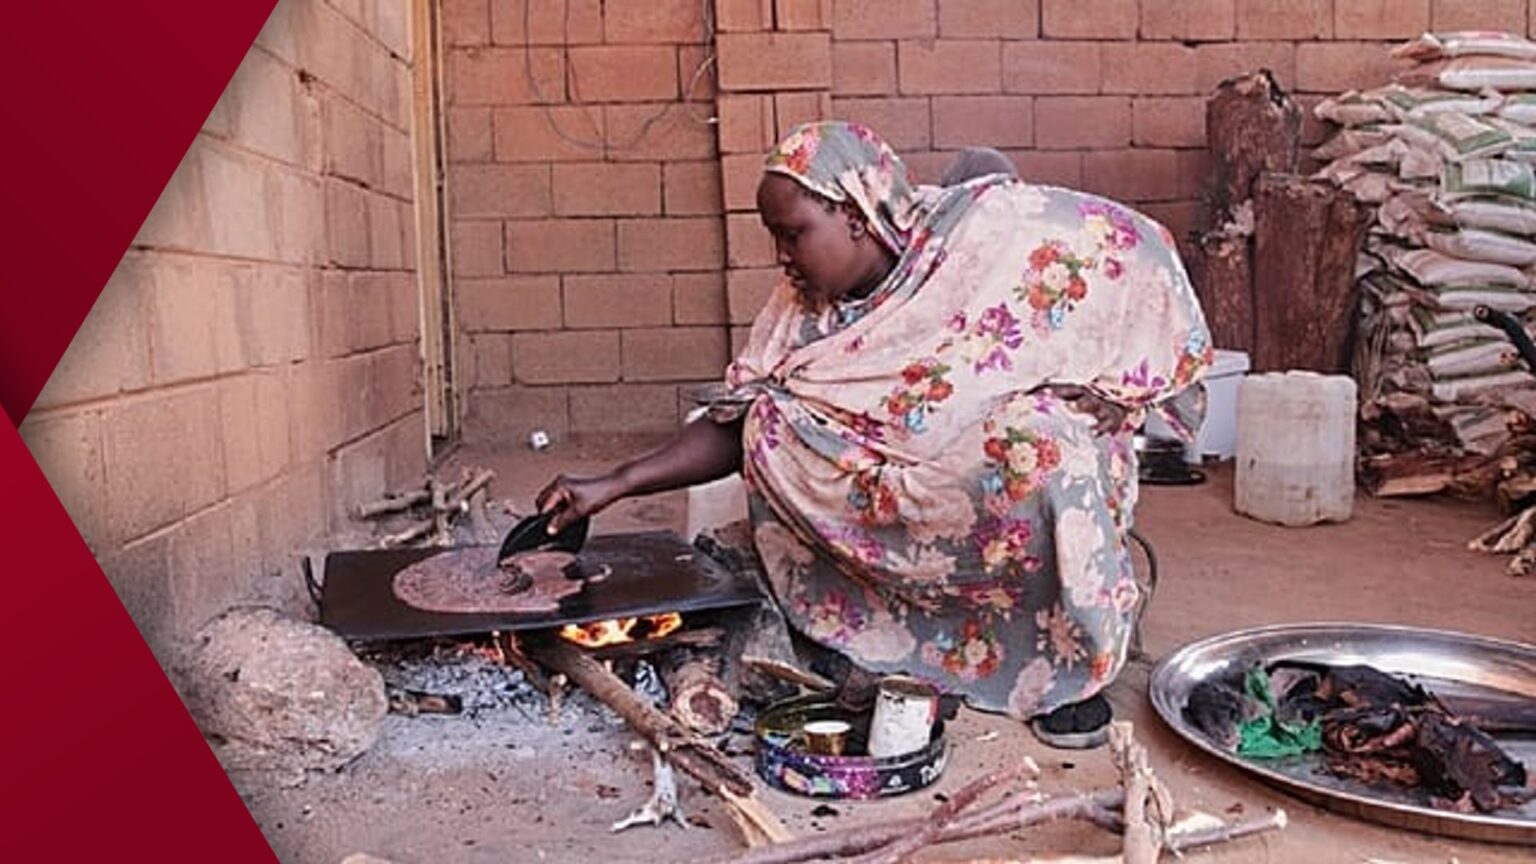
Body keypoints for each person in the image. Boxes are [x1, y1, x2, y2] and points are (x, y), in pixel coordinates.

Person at [538, 122, 1212, 747]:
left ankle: (1063, 670)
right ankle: (875, 633)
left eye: (793, 233)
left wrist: (1113, 386)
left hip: (987, 470)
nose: (782, 255)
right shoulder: (799, 310)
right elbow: (738, 418)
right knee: (774, 424)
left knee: (1044, 446)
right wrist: (614, 484)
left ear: (855, 214)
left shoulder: (978, 231)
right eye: (773, 234)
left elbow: (1131, 247)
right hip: (888, 505)